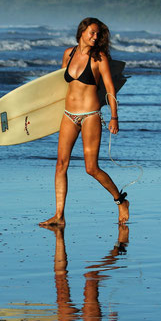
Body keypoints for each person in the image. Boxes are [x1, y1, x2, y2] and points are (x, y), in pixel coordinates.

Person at [39, 17, 129, 227]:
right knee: (61, 164)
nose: (95, 36)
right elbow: (59, 85)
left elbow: (110, 89)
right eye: (92, 32)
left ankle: (121, 201)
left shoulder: (100, 59)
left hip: (90, 115)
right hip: (68, 115)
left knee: (91, 168)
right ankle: (59, 215)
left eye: (98, 34)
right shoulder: (68, 54)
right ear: (82, 31)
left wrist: (114, 117)